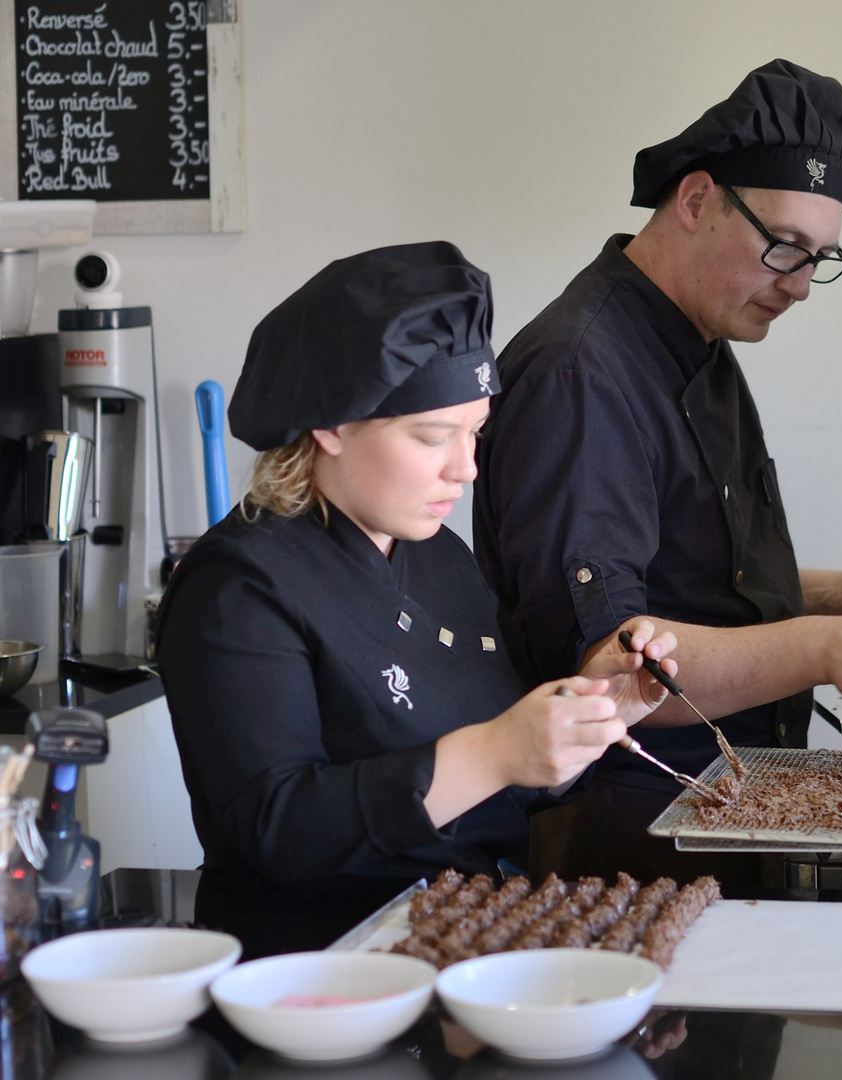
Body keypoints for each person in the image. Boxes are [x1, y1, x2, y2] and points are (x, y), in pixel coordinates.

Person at [474, 60, 842, 886]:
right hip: (631, 834)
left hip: (726, 807)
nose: (803, 286)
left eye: (821, 259)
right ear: (697, 199)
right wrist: (824, 644)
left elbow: (686, 577)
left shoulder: (698, 340)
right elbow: (613, 665)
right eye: (784, 247)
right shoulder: (580, 373)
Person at [156, 243, 677, 950]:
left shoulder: (438, 557)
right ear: (332, 424)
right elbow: (275, 829)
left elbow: (507, 780)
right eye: (434, 436)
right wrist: (494, 751)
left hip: (472, 940)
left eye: (475, 434)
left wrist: (584, 712)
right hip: (321, 969)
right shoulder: (239, 586)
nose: (465, 469)